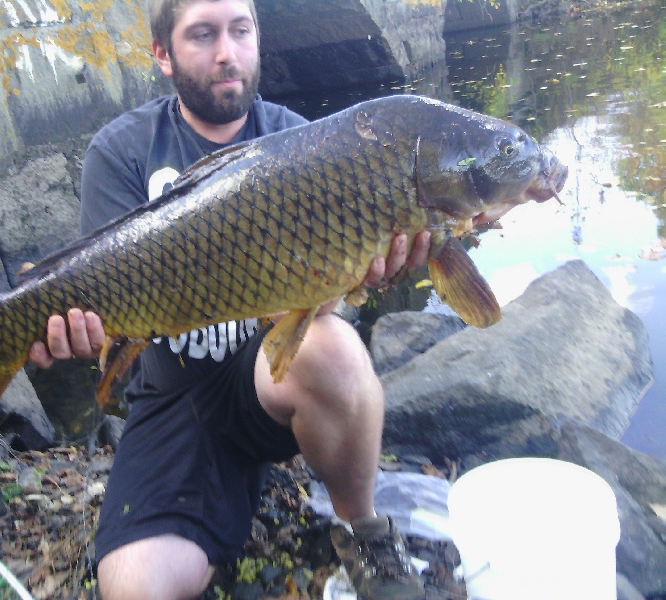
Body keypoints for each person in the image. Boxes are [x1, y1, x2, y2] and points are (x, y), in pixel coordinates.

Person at [29, 1, 431, 598]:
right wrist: (74, 332)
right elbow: (102, 293)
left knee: (337, 348)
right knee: (135, 588)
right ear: (162, 55)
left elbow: (313, 308)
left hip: (265, 378)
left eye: (241, 31)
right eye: (202, 35)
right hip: (169, 401)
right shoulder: (122, 151)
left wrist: (357, 273)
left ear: (258, 38)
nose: (227, 52)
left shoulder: (301, 141)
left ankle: (363, 530)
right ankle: (212, 497)